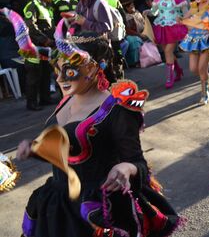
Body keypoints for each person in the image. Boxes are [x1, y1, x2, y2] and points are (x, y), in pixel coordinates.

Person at [15, 20, 180, 236]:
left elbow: (138, 163)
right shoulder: (66, 100)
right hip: (57, 204)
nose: (61, 79)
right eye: (58, 70)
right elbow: (66, 152)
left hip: (96, 209)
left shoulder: (117, 109)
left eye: (71, 71)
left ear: (98, 66)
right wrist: (34, 150)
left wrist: (126, 168)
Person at [147, 0, 189, 89]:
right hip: (161, 26)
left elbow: (186, 11)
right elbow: (154, 12)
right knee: (167, 52)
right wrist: (147, 12)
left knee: (167, 51)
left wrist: (184, 20)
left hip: (174, 27)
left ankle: (169, 77)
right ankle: (178, 70)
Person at [71, 0, 119, 83]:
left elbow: (107, 27)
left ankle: (115, 98)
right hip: (86, 49)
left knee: (107, 78)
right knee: (91, 81)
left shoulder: (100, 4)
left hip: (101, 50)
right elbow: (75, 22)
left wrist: (85, 23)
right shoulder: (81, 4)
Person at [22, 0, 56, 110]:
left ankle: (45, 99)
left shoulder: (47, 7)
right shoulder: (33, 5)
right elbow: (30, 26)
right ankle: (31, 103)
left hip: (46, 46)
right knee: (34, 74)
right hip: (33, 47)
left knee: (46, 72)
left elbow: (49, 26)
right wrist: (44, 39)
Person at [96, 0, 127, 80]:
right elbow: (122, 17)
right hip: (114, 35)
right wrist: (123, 32)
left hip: (99, 36)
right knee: (117, 58)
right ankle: (119, 81)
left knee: (102, 60)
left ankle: (105, 84)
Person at [122, 0, 146, 67]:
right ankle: (135, 62)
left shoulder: (137, 13)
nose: (133, 7)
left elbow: (144, 23)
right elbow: (127, 30)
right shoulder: (126, 17)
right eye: (131, 6)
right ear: (127, 8)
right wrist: (139, 35)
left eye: (133, 5)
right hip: (131, 35)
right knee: (135, 40)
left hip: (142, 33)